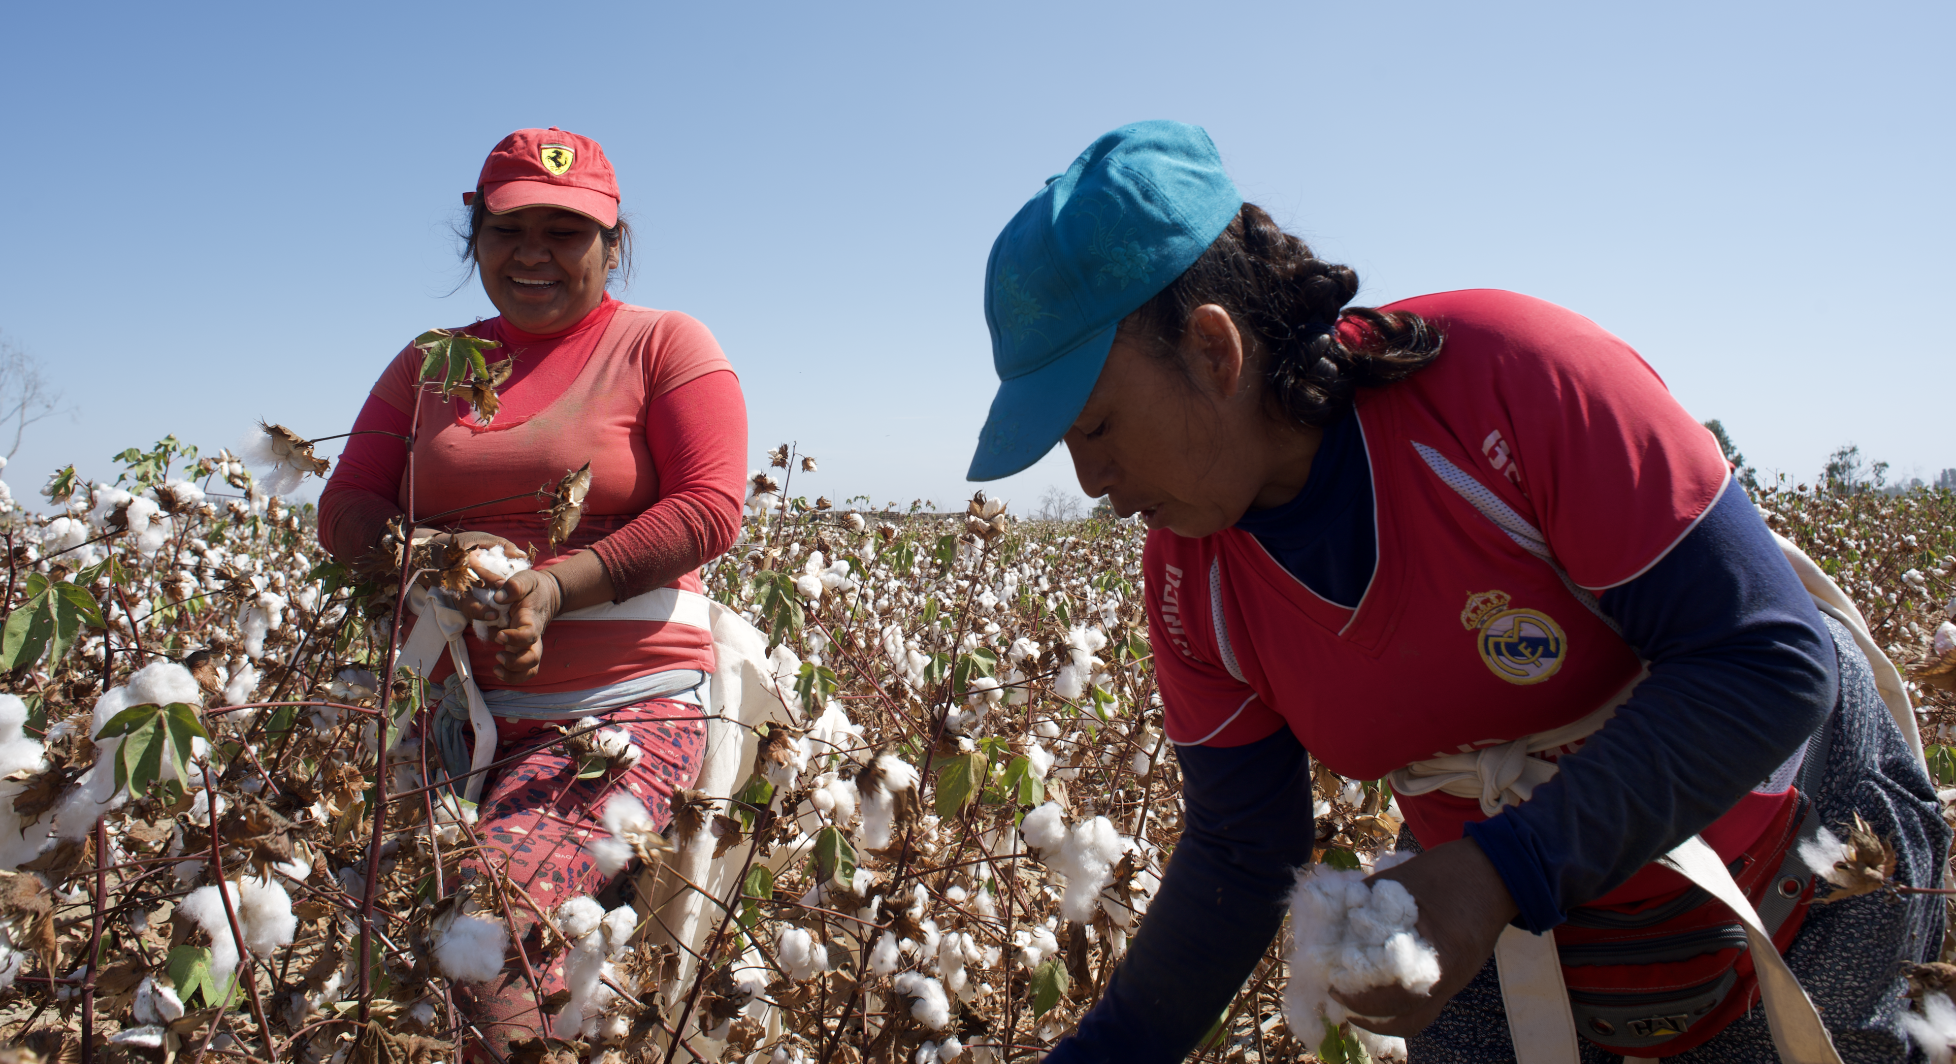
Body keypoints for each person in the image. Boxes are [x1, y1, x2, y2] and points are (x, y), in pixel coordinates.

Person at [967, 121, 1948, 1063]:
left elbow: (1766, 660)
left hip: (1799, 872)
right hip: (1512, 924)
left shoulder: (1512, 383)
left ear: (1215, 353)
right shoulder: (1194, 578)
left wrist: (1494, 872)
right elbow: (1240, 847)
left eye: (1097, 426)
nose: (1092, 482)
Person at [317, 127, 748, 1048]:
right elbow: (345, 507)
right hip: (456, 716)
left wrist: (552, 589)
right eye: (511, 229)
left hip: (623, 711)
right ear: (473, 234)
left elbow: (711, 508)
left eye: (566, 231)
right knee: (412, 959)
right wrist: (434, 553)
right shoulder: (432, 361)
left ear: (612, 244)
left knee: (487, 930)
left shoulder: (664, 344)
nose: (534, 255)